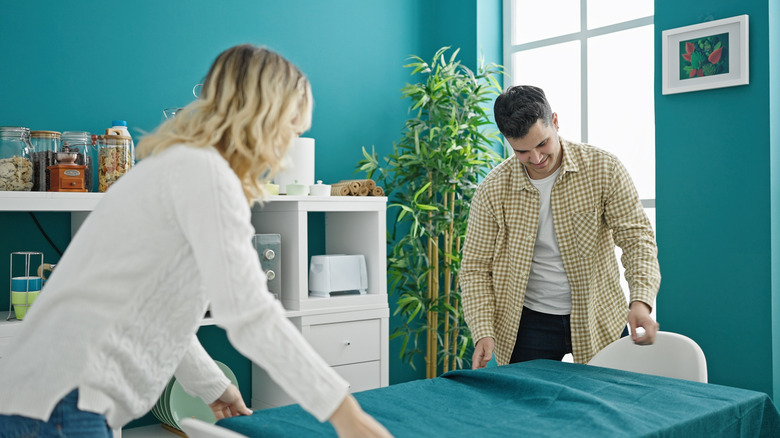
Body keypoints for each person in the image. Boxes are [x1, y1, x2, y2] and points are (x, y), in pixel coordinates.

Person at [0, 44, 391, 438]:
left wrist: (213, 387)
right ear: (265, 115)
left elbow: (155, 311)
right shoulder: (207, 175)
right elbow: (250, 313)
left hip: (43, 393)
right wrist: (347, 415)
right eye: (292, 126)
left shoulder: (176, 166)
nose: (289, 144)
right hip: (64, 400)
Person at [461, 85, 661, 370]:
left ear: (554, 121)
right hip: (528, 322)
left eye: (542, 144)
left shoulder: (603, 168)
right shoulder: (492, 190)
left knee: (607, 401)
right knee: (527, 409)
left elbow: (637, 239)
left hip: (598, 312)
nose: (537, 158)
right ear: (507, 140)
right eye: (522, 151)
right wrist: (483, 329)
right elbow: (475, 268)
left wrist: (641, 301)